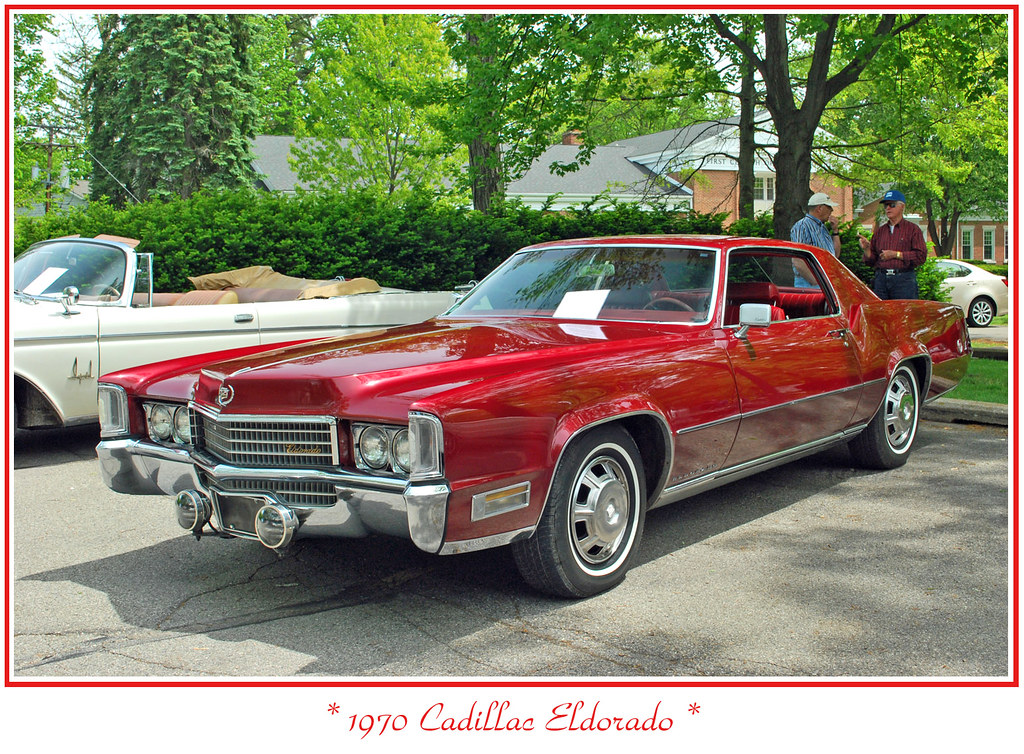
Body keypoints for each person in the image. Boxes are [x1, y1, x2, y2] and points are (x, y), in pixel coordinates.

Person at [858, 189, 927, 300]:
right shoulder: (880, 231)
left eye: (892, 205)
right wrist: (867, 250)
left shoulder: (912, 229)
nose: (888, 208)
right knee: (882, 315)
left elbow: (921, 256)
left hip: (904, 280)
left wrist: (896, 255)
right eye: (885, 206)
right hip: (881, 280)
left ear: (902, 206)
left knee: (903, 314)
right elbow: (872, 261)